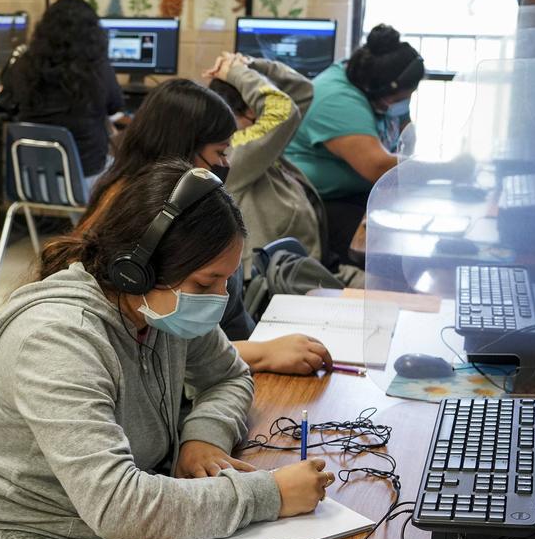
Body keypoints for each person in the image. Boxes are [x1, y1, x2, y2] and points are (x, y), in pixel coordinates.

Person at [0, 160, 334, 539]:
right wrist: (270, 495)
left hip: (100, 529)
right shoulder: (57, 340)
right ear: (136, 268)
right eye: (206, 281)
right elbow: (118, 505)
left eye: (225, 280)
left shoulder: (158, 307)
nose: (218, 298)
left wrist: (200, 438)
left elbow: (232, 376)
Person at [85, 78, 333, 376]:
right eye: (220, 152)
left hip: (229, 348)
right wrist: (263, 353)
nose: (225, 163)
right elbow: (165, 350)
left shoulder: (184, 207)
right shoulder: (141, 219)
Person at [283, 24, 424, 266]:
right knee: (392, 257)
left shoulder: (381, 87)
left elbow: (405, 138)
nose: (404, 104)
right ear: (375, 90)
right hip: (319, 203)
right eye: (400, 99)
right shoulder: (335, 99)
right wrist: (440, 170)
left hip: (359, 193)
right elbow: (378, 167)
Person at [205, 51, 327, 268]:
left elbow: (303, 91)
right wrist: (236, 72)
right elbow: (285, 110)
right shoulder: (232, 151)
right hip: (269, 279)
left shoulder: (252, 144)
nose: (262, 118)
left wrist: (250, 66)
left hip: (294, 267)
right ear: (248, 111)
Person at [0, 0, 124, 191]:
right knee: (126, 169)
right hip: (85, 181)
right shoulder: (98, 69)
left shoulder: (22, 66)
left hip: (33, 181)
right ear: (93, 33)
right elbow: (115, 107)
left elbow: (9, 101)